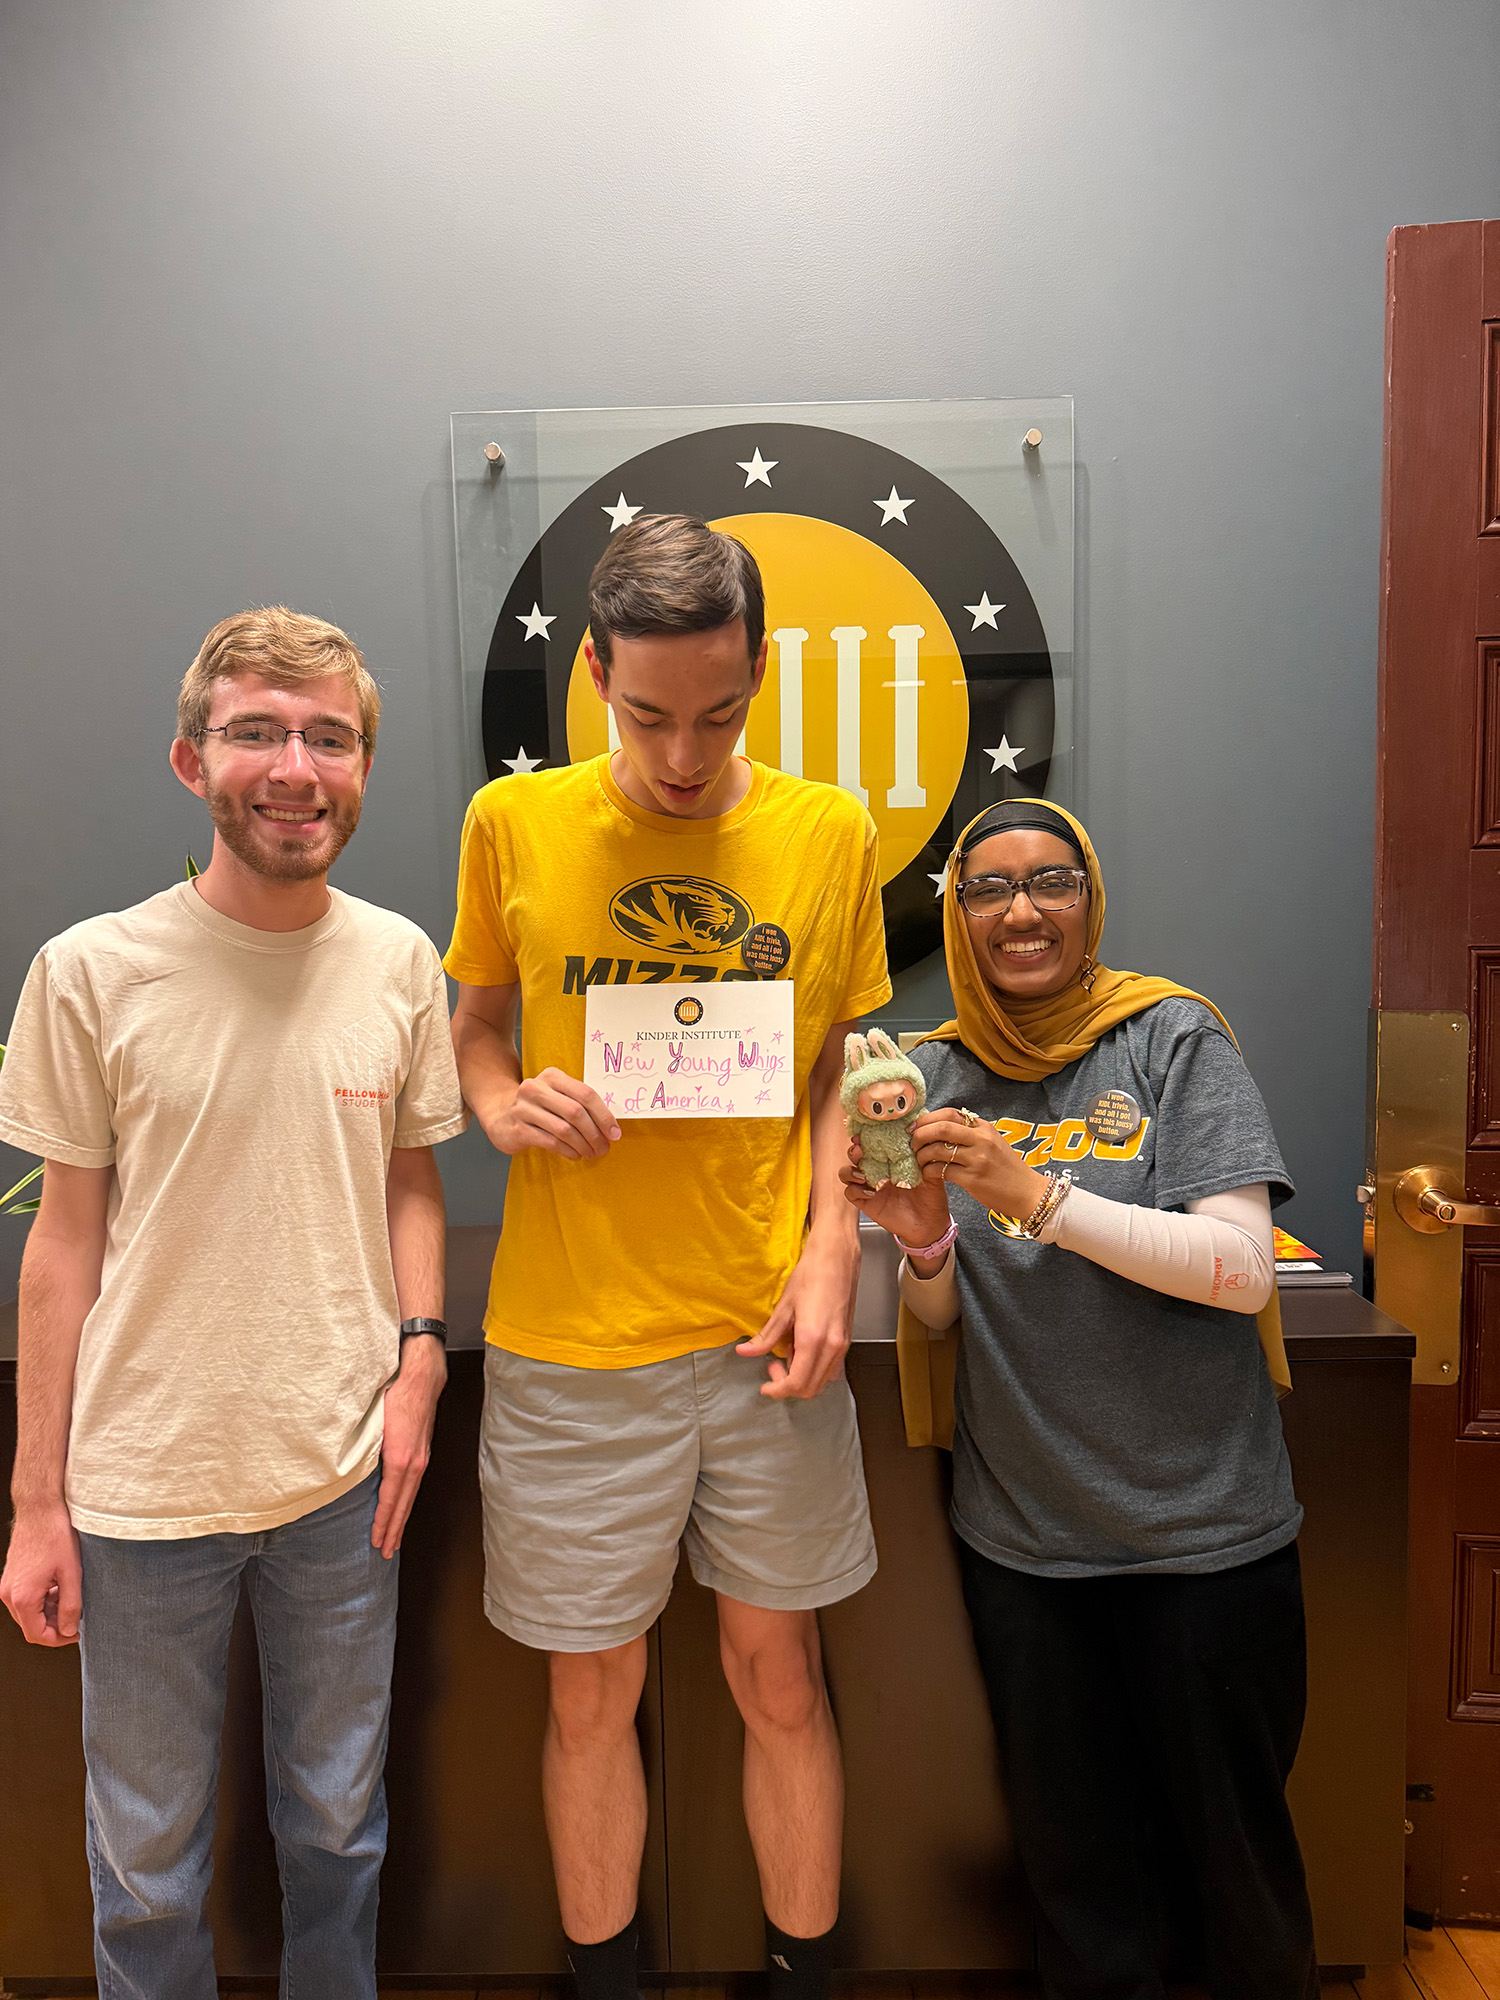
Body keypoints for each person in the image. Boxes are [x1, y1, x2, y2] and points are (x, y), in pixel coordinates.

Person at [446, 514, 891, 2000]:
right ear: (591, 672)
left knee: (782, 1679)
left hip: (768, 1333)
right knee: (592, 1693)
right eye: (646, 715)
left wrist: (833, 1251)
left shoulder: (830, 831)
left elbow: (839, 1067)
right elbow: (475, 1031)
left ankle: (805, 1977)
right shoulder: (513, 825)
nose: (683, 753)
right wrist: (508, 1106)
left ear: (759, 672)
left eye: (720, 713)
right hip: (575, 1342)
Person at [0, 608, 466, 2000]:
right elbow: (61, 1247)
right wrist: (36, 1503)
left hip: (341, 1480)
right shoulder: (91, 972)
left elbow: (413, 1187)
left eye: (330, 737)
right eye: (256, 731)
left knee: (339, 1832)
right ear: (190, 761)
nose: (294, 767)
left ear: (364, 766)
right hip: (141, 1491)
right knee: (145, 1869)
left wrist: (422, 1362)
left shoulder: (398, 962)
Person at [843, 798, 1317, 2000]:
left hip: (1204, 1539)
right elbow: (950, 1318)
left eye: (1049, 880)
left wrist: (1032, 1191)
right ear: (956, 914)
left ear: (1089, 895)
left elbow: (1242, 1267)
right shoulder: (929, 1070)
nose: (1020, 911)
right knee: (1081, 1887)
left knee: (1235, 1880)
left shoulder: (1171, 1037)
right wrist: (924, 1244)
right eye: (988, 888)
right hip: (1030, 1547)